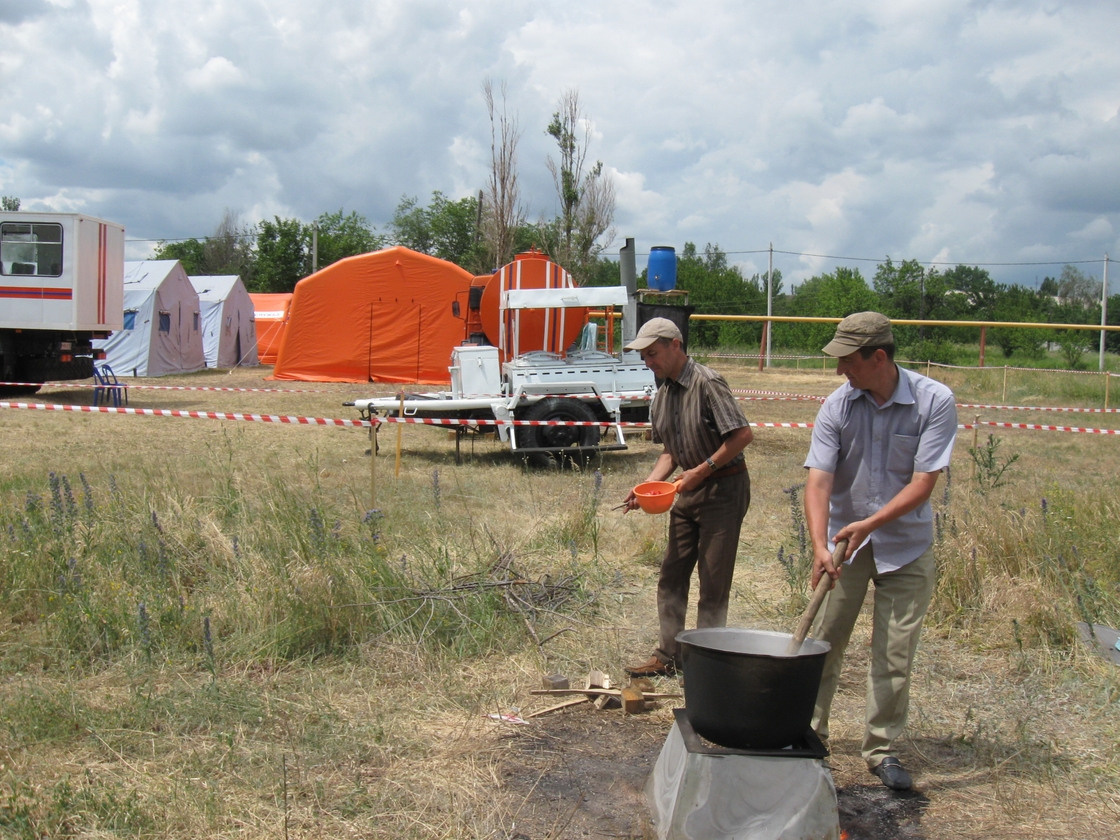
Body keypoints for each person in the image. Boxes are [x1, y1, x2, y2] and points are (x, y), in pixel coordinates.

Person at [804, 311, 957, 791]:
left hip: (906, 545)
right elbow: (819, 480)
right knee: (824, 643)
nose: (839, 370)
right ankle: (807, 737)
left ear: (878, 357)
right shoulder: (837, 405)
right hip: (843, 548)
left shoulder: (935, 401)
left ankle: (882, 749)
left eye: (847, 361)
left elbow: (923, 483)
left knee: (894, 654)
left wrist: (869, 524)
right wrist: (819, 545)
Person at [620, 317, 754, 678]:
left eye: (653, 353)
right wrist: (648, 486)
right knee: (671, 575)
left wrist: (702, 469)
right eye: (644, 357)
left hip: (723, 490)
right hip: (688, 492)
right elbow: (670, 452)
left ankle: (707, 664)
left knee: (713, 582)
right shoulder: (662, 396)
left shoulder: (707, 383)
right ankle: (669, 656)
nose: (648, 362)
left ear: (675, 345)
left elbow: (742, 436)